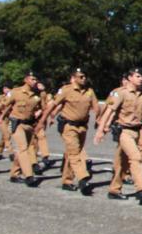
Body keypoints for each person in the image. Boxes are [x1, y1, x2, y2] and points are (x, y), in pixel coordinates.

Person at [94, 68, 142, 206]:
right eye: (138, 76)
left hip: (138, 132)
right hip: (124, 131)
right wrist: (100, 130)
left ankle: (114, 190)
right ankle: (141, 190)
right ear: (130, 78)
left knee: (123, 163)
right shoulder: (121, 93)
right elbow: (109, 111)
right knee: (136, 158)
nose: (141, 79)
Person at [37, 67, 98, 195]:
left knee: (73, 153)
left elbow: (97, 107)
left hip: (82, 127)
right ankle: (83, 178)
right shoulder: (66, 90)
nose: (84, 79)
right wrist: (42, 121)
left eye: (85, 76)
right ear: (74, 78)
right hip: (68, 126)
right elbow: (52, 106)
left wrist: (99, 120)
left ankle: (67, 181)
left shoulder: (89, 92)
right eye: (81, 76)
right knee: (75, 153)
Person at [0, 72, 43, 186]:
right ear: (26, 80)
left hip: (29, 125)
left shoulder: (36, 94)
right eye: (32, 79)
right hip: (16, 124)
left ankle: (14, 174)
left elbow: (43, 108)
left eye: (36, 79)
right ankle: (29, 176)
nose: (35, 81)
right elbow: (3, 105)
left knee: (24, 149)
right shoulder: (15, 92)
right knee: (23, 149)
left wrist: (39, 114)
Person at [0, 83, 15, 160]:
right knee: (7, 135)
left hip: (10, 118)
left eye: (8, 88)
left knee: (5, 135)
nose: (6, 90)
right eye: (5, 88)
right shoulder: (0, 98)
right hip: (1, 119)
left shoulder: (13, 98)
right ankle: (11, 152)